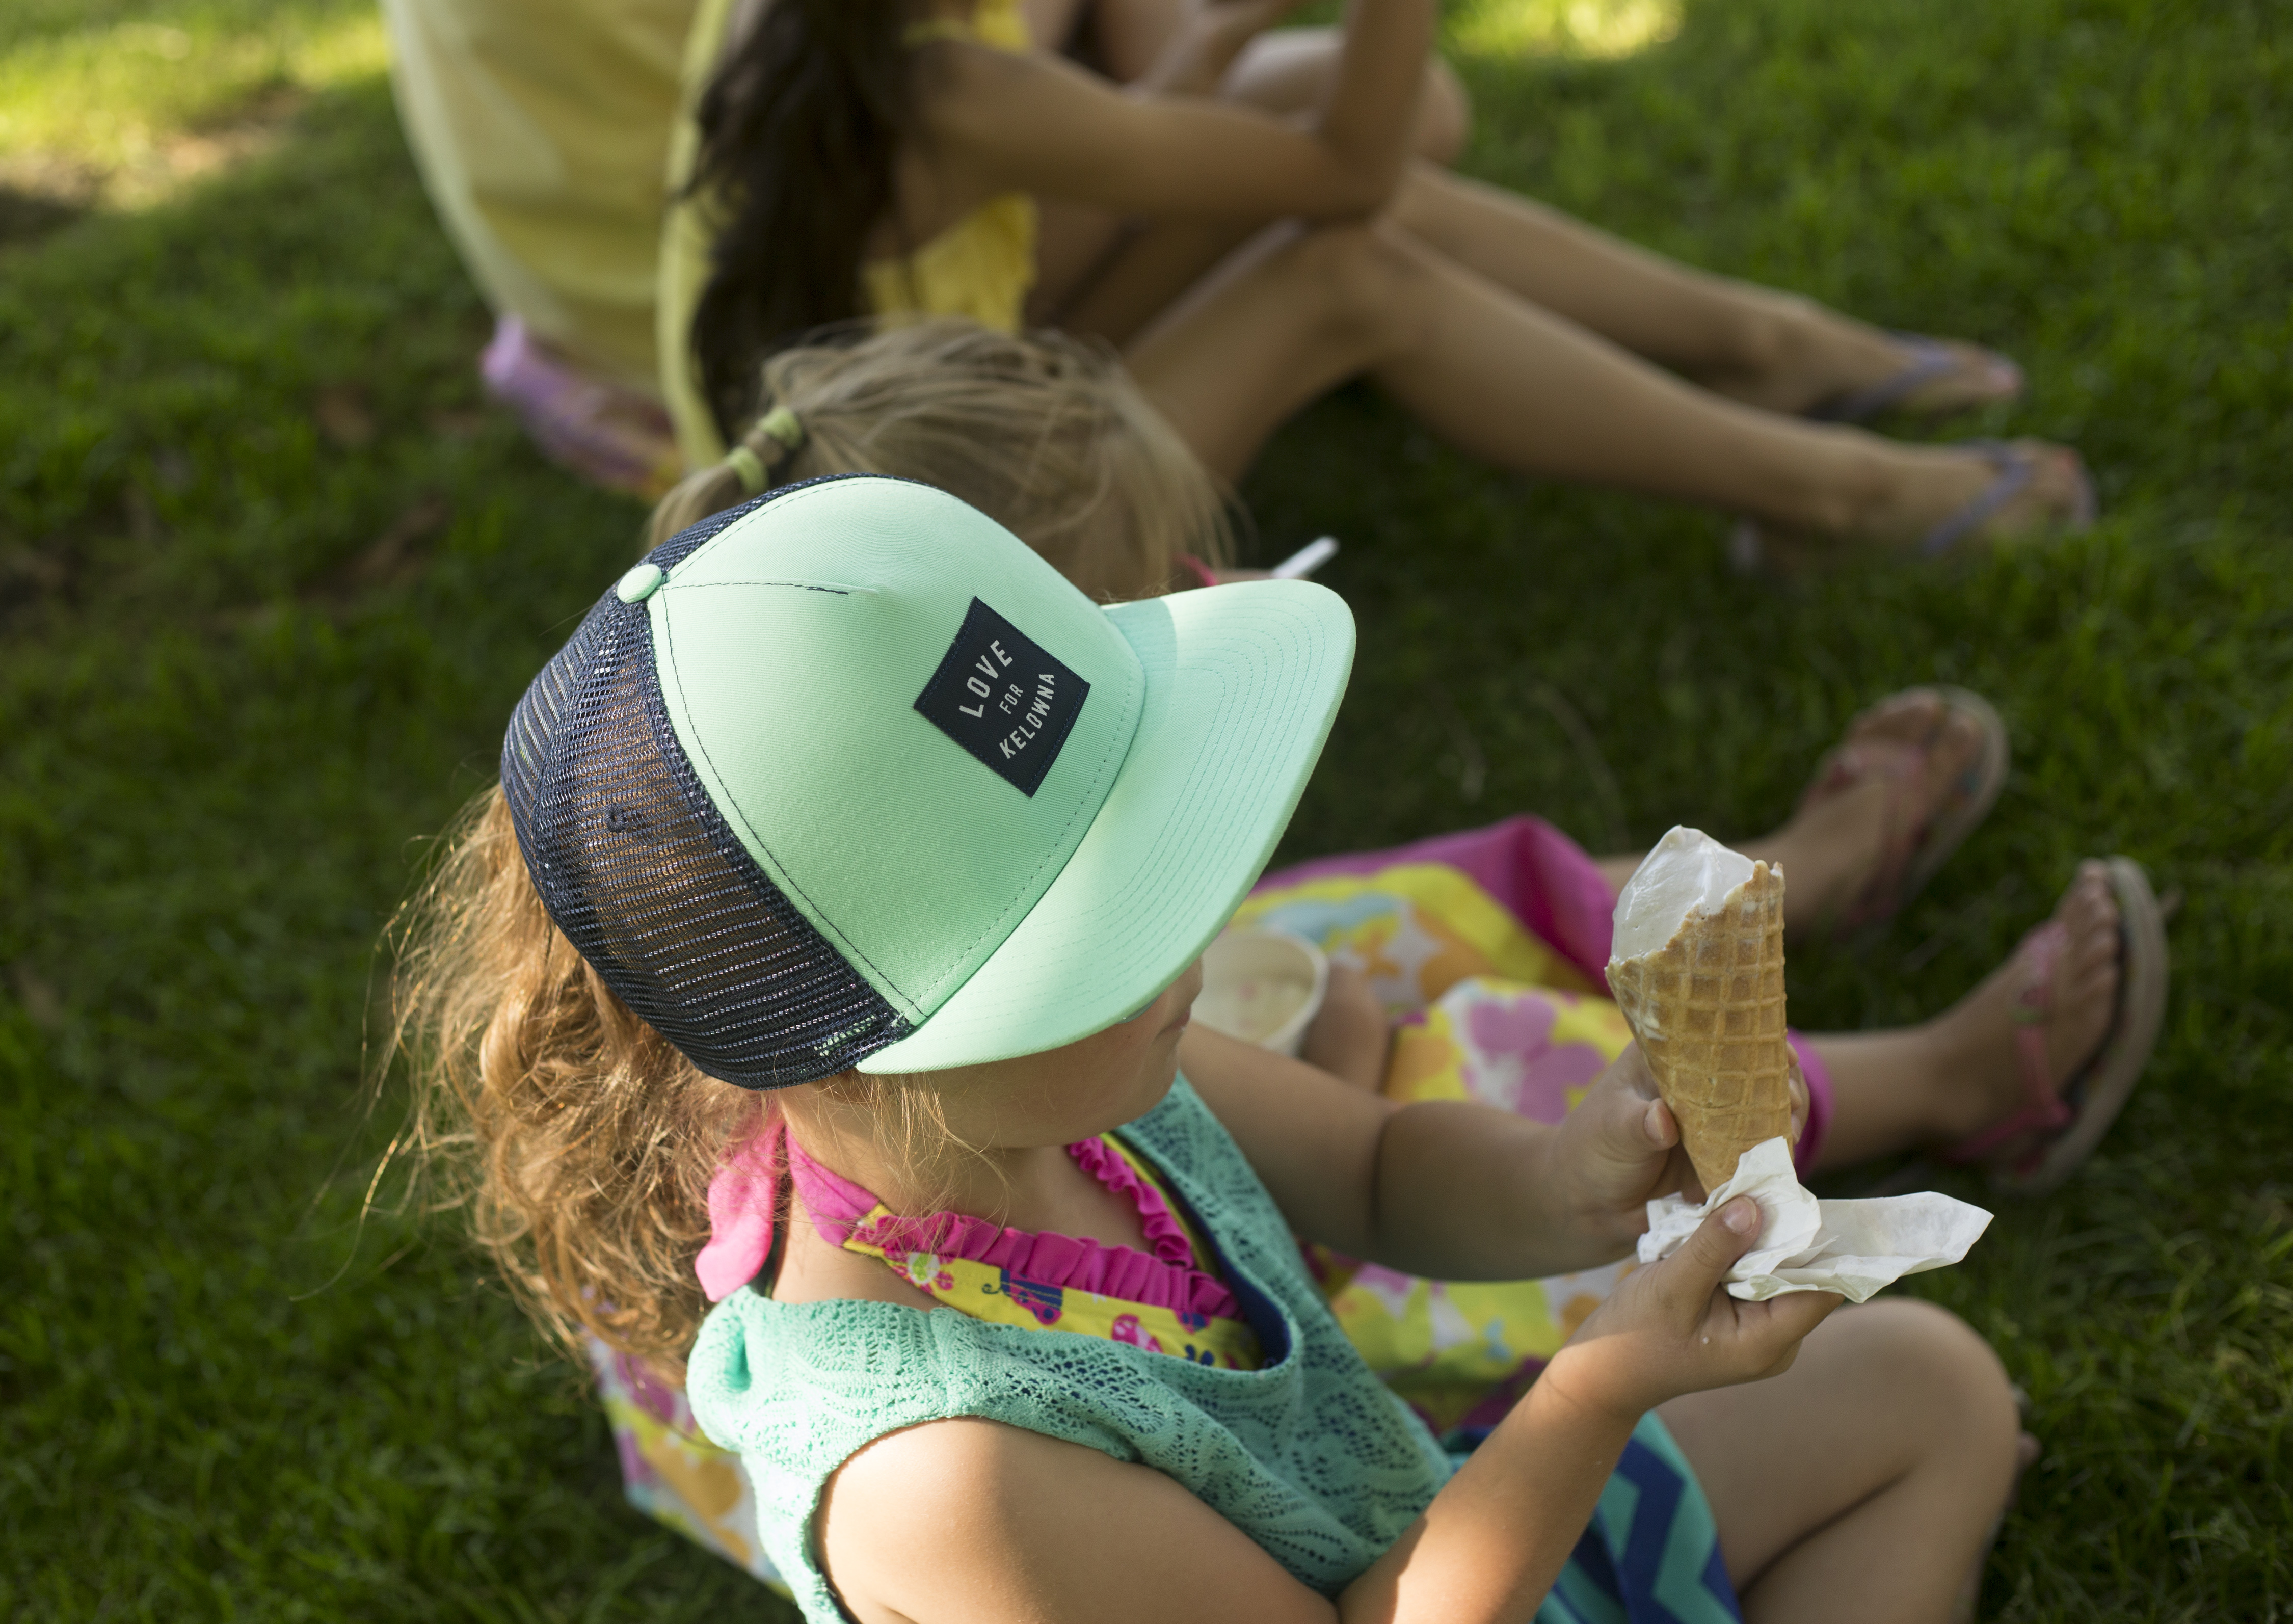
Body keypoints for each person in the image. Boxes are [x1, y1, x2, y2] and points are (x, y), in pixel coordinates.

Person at [393, 472, 2030, 1622]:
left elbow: (1381, 1164)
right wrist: (1599, 1384)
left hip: (1437, 1544)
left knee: (1921, 1382)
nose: (1195, 943)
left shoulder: (1076, 1097)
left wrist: (1572, 1175)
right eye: (1106, 928)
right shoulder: (942, 1470)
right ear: (846, 1049)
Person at [660, 0, 2095, 562]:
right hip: (950, 568)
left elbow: (1067, 152)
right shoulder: (942, 88)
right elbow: (1332, 179)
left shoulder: (816, 28)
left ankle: (1767, 344)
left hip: (916, 413)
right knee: (1346, 260)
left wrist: (1207, 58)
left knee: (1356, 148)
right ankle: (1825, 492)